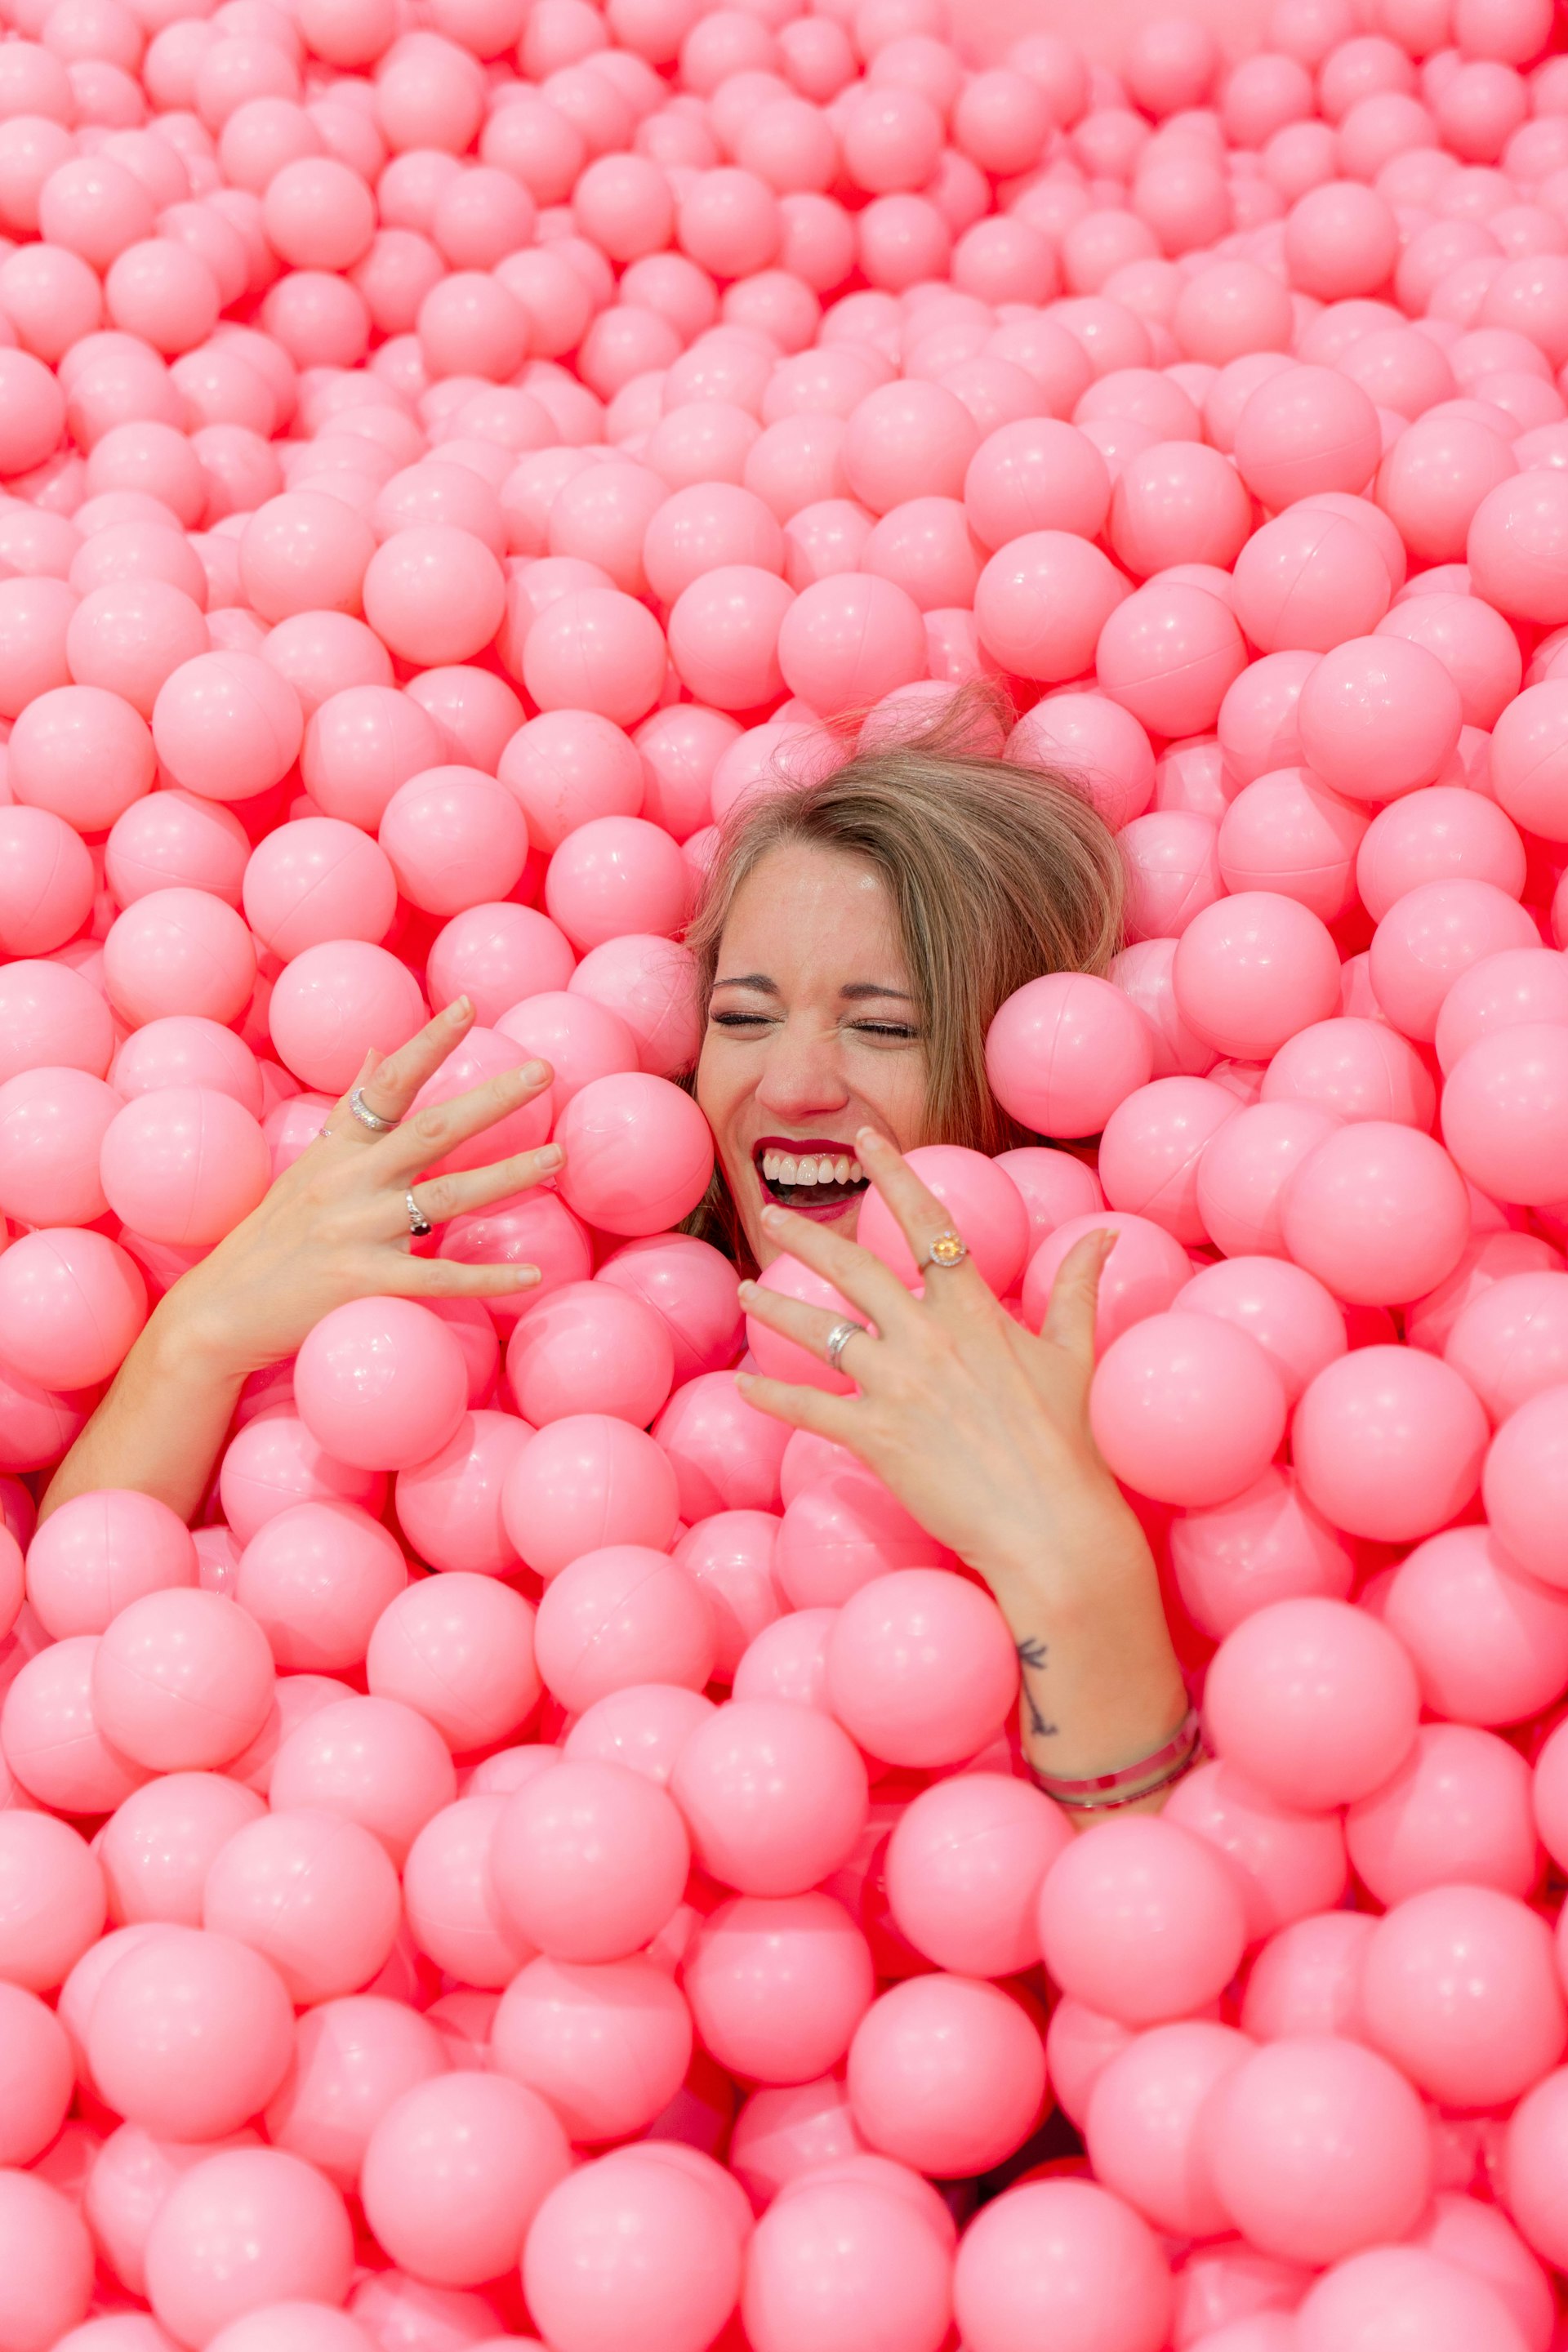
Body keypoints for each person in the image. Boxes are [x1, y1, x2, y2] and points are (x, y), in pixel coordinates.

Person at [43, 697, 1193, 1816]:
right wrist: (200, 1334)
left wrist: (1070, 1557)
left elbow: (1135, 1933)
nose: (790, 1087)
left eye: (883, 1025)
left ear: (1029, 1061)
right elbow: (66, 1671)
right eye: (745, 1017)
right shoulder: (526, 1298)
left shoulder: (1097, 1379)